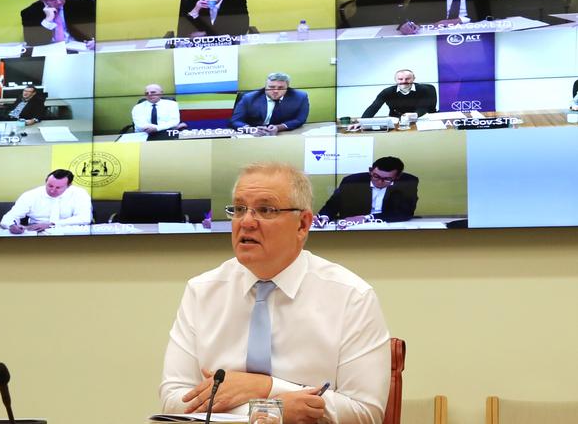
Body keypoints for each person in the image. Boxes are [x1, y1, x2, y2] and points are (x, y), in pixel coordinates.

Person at [160, 162, 391, 424]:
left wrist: (266, 387)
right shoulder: (202, 291)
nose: (246, 222)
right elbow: (173, 400)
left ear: (303, 224)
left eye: (265, 210)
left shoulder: (352, 297)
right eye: (238, 209)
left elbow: (366, 413)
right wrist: (269, 410)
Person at [317, 156, 418, 226]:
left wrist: (367, 218)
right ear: (371, 171)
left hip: (391, 228)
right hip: (353, 229)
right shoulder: (352, 182)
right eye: (376, 176)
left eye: (387, 179)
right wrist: (324, 217)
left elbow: (405, 212)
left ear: (397, 177)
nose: (380, 181)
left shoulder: (408, 183)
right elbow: (331, 206)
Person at [0, 169, 92, 233]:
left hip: (69, 234)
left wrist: (51, 224)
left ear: (69, 185)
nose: (52, 190)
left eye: (58, 187)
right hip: (36, 235)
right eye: (50, 186)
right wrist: (12, 226)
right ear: (46, 181)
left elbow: (85, 218)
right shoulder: (31, 195)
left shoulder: (79, 194)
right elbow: (9, 216)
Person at [21, 0, 96, 49]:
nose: (59, 2)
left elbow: (98, 27)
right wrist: (48, 20)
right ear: (42, 0)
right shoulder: (30, 12)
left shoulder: (83, 5)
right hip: (48, 48)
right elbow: (32, 41)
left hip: (78, 46)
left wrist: (97, 40)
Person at [230, 72, 310, 136]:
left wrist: (279, 127)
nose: (275, 91)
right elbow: (235, 121)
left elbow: (300, 119)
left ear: (287, 88)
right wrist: (251, 129)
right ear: (265, 86)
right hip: (253, 134)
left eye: (281, 88)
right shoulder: (249, 98)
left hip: (283, 135)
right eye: (271, 87)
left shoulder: (300, 97)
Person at [177, 0, 249, 38]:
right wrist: (196, 10)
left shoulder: (237, 1)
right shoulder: (192, 2)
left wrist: (205, 34)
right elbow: (183, 32)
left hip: (228, 43)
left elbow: (242, 28)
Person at [361, 69, 437, 119]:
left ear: (414, 79)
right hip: (397, 118)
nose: (404, 81)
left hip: (420, 117)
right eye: (400, 79)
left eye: (408, 79)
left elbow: (423, 108)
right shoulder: (387, 92)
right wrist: (362, 122)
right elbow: (374, 107)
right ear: (395, 80)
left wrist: (412, 116)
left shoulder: (425, 89)